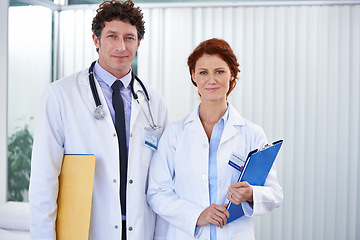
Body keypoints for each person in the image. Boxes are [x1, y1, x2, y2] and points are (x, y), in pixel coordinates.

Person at [29, 1, 168, 239]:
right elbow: (44, 180)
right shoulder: (60, 95)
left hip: (141, 229)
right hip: (87, 230)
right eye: (112, 36)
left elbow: (161, 179)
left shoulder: (153, 101)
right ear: (96, 40)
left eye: (129, 38)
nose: (121, 46)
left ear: (139, 42)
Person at [147, 38, 283, 239]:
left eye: (219, 71)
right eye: (203, 72)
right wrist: (197, 215)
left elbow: (274, 193)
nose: (211, 80)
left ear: (232, 75)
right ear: (194, 77)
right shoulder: (175, 133)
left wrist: (251, 194)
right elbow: (157, 192)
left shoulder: (252, 133)